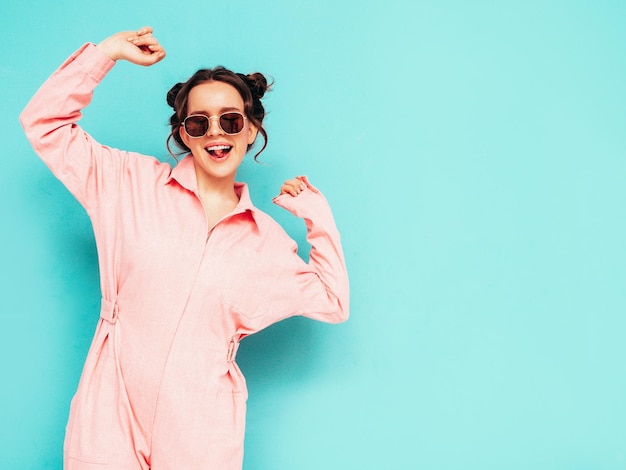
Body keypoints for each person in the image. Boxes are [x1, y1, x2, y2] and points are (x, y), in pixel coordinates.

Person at [19, 26, 349, 469]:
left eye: (231, 120)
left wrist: (317, 216)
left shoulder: (265, 240)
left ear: (251, 131)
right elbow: (44, 122)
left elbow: (332, 300)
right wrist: (105, 54)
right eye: (200, 122)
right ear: (185, 134)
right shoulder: (127, 183)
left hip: (202, 425)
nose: (217, 132)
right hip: (110, 407)